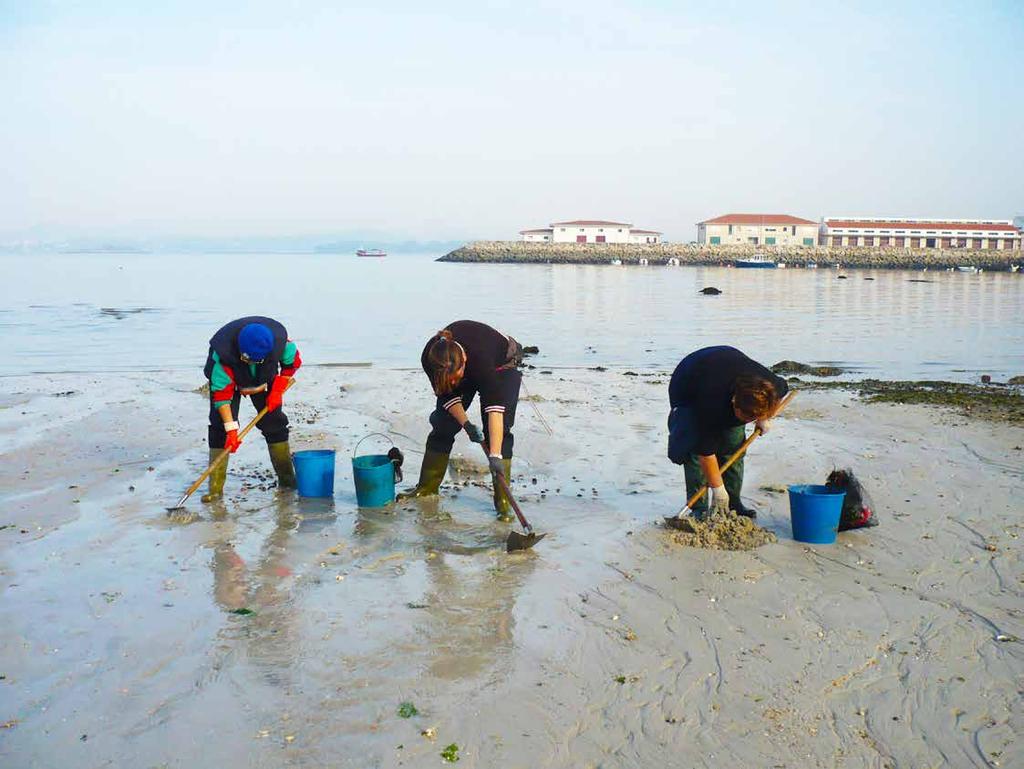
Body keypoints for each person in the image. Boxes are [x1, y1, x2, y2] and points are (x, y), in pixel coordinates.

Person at [399, 320, 523, 521]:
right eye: (452, 381)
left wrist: (495, 456)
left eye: (457, 379)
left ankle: (503, 505)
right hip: (462, 368)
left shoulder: (481, 361)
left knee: (498, 436)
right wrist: (465, 424)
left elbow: (495, 411)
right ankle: (426, 488)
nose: (455, 383)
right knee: (443, 425)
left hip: (502, 365)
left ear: (463, 362)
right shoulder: (432, 357)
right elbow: (447, 395)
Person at [667, 346, 788, 519]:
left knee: (734, 443)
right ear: (734, 402)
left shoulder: (771, 385)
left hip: (728, 362)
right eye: (746, 417)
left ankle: (734, 502)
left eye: (753, 418)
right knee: (693, 449)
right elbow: (705, 453)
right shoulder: (709, 404)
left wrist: (765, 416)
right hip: (688, 384)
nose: (749, 421)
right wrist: (718, 490)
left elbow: (782, 391)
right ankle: (699, 507)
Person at [201, 316, 302, 502]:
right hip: (228, 381)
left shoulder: (280, 344)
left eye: (255, 360)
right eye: (246, 359)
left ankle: (287, 481)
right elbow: (222, 396)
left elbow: (291, 364)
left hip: (263, 379)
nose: (250, 362)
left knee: (274, 423)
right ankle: (215, 491)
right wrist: (231, 430)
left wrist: (278, 389)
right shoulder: (223, 354)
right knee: (220, 429)